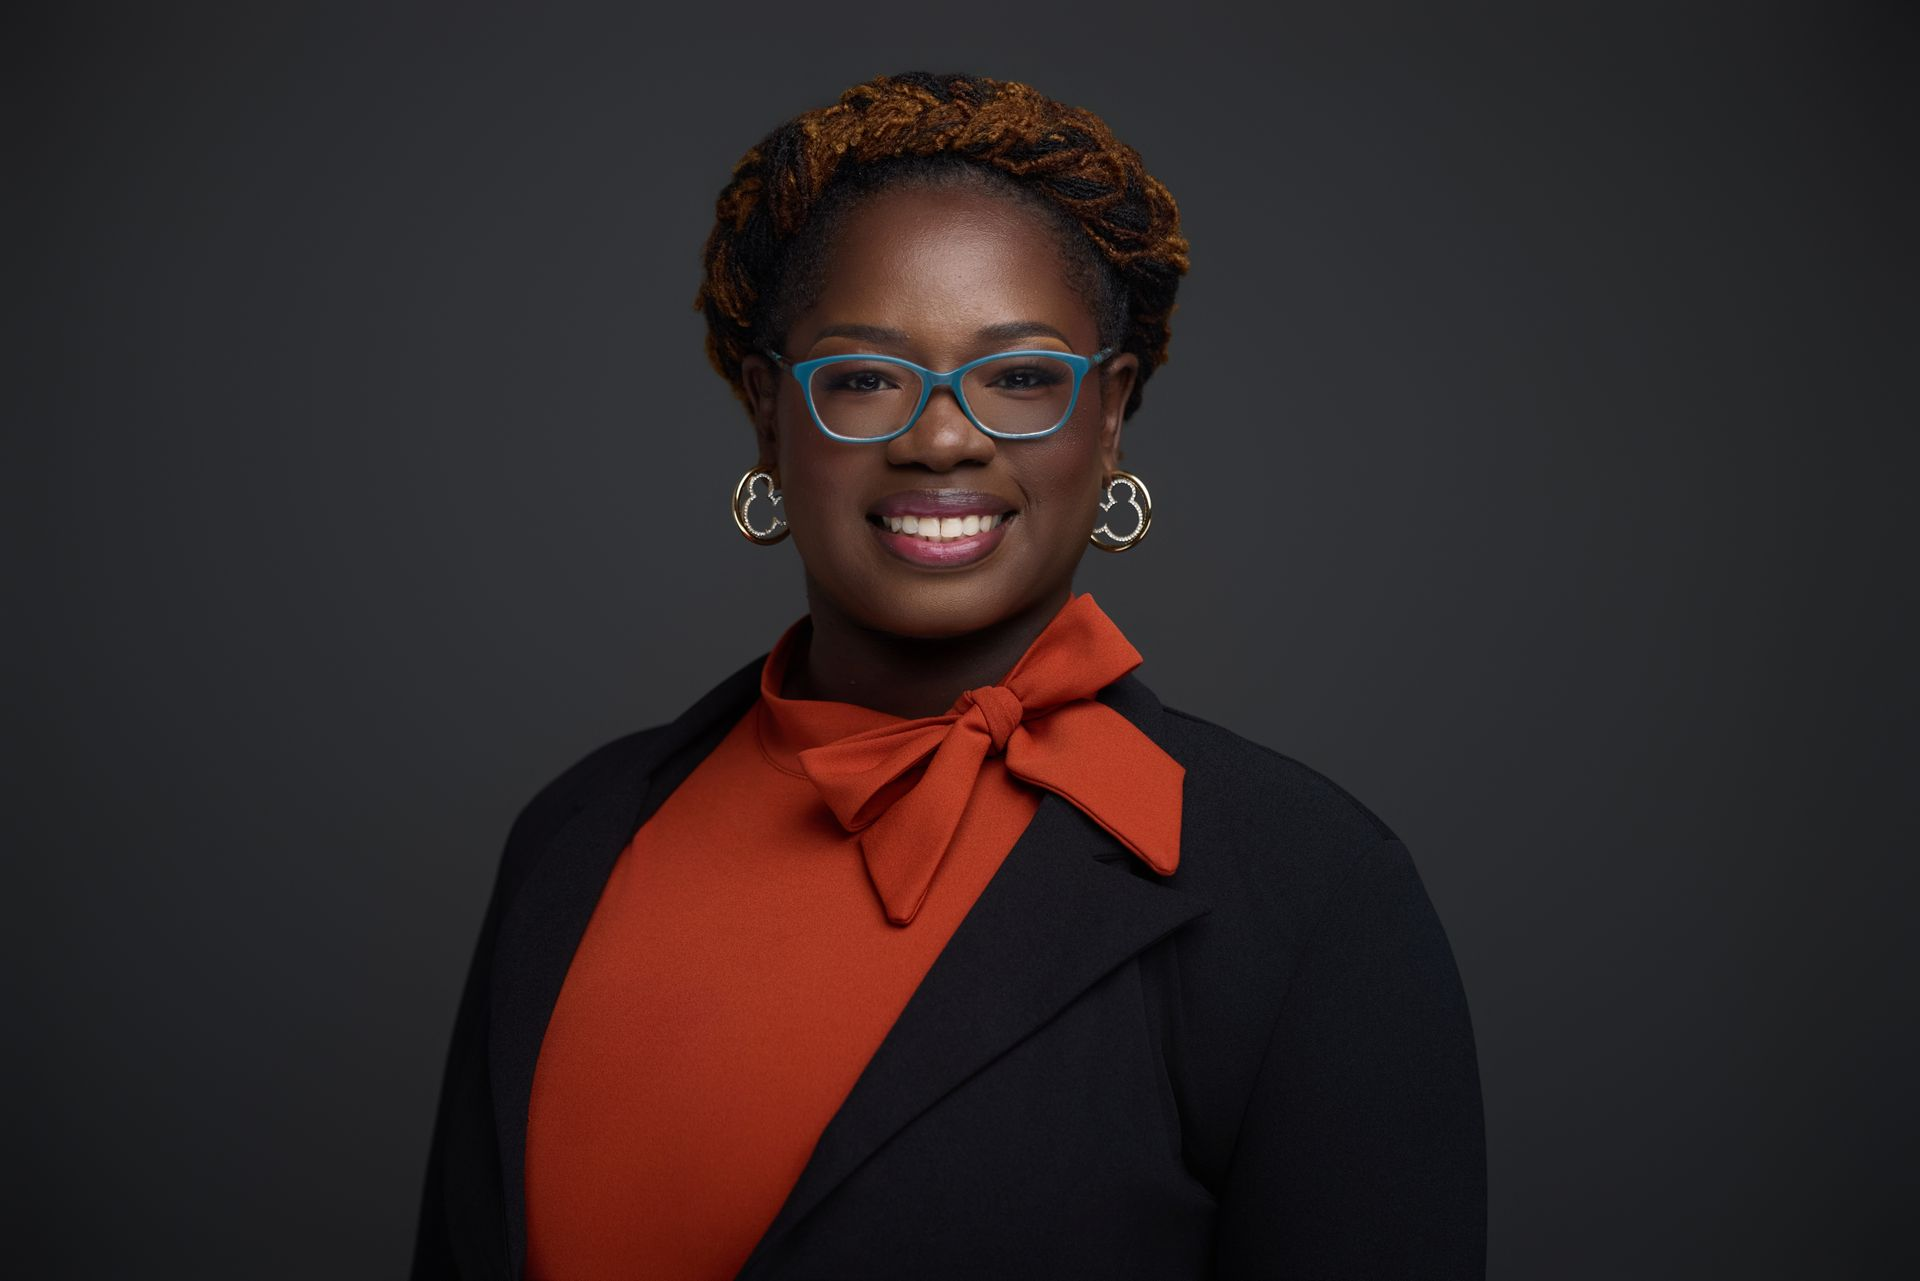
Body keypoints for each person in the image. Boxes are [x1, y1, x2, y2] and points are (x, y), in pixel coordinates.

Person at [412, 71, 1486, 1280]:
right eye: (866, 376)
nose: (941, 437)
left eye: (1020, 376)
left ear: (1112, 415)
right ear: (770, 413)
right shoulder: (575, 837)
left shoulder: (1308, 897)